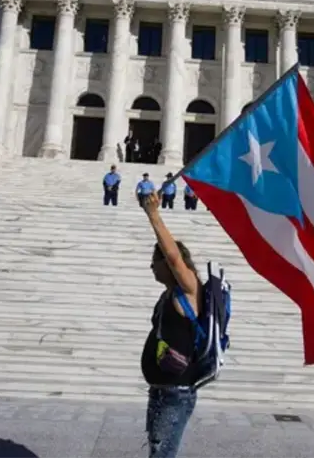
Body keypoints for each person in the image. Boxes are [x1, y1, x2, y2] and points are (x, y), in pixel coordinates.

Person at [139, 191, 201, 458]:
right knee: (158, 452)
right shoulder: (169, 293)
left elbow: (175, 258)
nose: (151, 267)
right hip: (163, 390)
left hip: (175, 392)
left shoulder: (188, 288)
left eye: (155, 262)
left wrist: (153, 215)